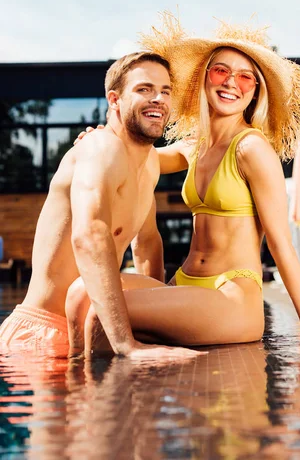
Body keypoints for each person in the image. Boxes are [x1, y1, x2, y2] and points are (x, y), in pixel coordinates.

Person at [70, 13, 300, 353]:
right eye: (221, 70)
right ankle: (75, 398)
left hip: (231, 295)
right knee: (81, 294)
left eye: (246, 77)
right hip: (187, 284)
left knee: (105, 314)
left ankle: (96, 399)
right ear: (204, 79)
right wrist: (102, 138)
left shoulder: (251, 148)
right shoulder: (195, 146)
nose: (232, 82)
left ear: (256, 91)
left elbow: (281, 243)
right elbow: (133, 154)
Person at [0, 51, 200, 362]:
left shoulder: (148, 163)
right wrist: (127, 344)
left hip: (94, 326)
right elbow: (89, 236)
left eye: (165, 91)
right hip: (43, 336)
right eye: (144, 89)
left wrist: (157, 319)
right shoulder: (100, 148)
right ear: (115, 100)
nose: (158, 99)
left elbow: (146, 243)